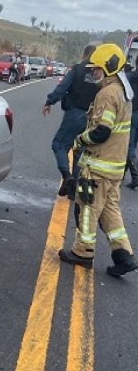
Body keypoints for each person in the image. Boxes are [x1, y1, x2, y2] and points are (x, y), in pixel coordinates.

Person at [59, 43, 138, 277]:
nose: (93, 72)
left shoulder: (107, 93)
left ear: (109, 68)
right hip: (114, 168)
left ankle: (82, 252)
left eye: (96, 69)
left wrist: (79, 140)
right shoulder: (124, 91)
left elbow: (102, 131)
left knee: (87, 207)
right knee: (110, 211)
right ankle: (124, 255)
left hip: (99, 167)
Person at [42, 45, 98, 197]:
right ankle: (73, 191)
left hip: (74, 114)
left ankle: (67, 177)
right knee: (79, 151)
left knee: (59, 144)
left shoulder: (77, 69)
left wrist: (49, 101)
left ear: (84, 54)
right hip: (90, 117)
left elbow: (62, 87)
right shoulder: (99, 73)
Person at [125, 56, 138, 189]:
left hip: (133, 113)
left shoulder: (131, 77)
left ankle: (135, 176)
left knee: (129, 146)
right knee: (132, 146)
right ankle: (123, 172)